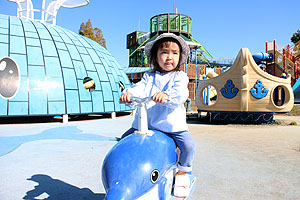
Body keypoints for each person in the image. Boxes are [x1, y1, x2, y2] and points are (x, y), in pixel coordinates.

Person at [119, 33, 196, 198]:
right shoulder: (149, 77)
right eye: (164, 52)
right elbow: (139, 88)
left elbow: (180, 93)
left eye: (174, 53)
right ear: (155, 56)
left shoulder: (179, 76)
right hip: (147, 124)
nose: (169, 57)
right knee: (124, 142)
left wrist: (167, 96)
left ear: (180, 57)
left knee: (188, 145)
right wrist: (128, 94)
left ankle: (182, 172)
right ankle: (126, 173)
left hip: (171, 126)